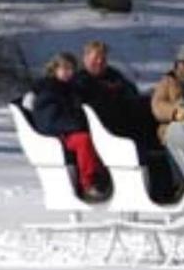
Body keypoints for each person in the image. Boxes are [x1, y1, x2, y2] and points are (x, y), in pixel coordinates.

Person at [73, 40, 173, 201]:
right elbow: (84, 109)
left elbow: (131, 93)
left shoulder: (114, 76)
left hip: (126, 123)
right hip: (103, 130)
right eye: (95, 58)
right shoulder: (79, 81)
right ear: (85, 58)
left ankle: (164, 189)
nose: (99, 62)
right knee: (137, 142)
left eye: (103, 58)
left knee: (155, 135)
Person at [32, 52, 109, 202]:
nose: (68, 72)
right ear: (55, 70)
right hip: (60, 136)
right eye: (64, 69)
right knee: (84, 140)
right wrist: (77, 125)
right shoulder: (48, 91)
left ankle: (106, 178)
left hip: (77, 129)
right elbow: (49, 121)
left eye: (71, 69)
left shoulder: (76, 89)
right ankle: (88, 184)